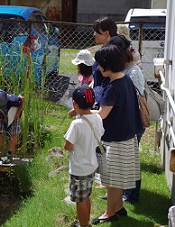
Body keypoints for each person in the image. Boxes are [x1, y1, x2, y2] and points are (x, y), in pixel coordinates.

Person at [91, 44, 143, 224]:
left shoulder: (112, 87)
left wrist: (82, 112)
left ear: (108, 64)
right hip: (128, 137)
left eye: (99, 64)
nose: (98, 68)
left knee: (112, 181)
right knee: (119, 178)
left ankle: (109, 213)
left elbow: (102, 114)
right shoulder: (126, 80)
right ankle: (119, 207)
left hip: (115, 140)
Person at [107, 35, 146, 203]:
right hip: (128, 121)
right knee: (122, 161)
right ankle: (119, 193)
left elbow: (133, 99)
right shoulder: (125, 70)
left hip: (133, 122)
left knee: (130, 161)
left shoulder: (133, 72)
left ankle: (131, 195)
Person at [64, 86, 104, 227]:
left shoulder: (76, 124)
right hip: (92, 165)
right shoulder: (98, 118)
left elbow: (67, 146)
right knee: (86, 196)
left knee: (80, 200)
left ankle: (83, 225)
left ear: (74, 104)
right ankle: (85, 223)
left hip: (79, 168)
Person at [0, 89, 25, 164]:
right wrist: (4, 116)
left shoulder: (13, 100)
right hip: (2, 114)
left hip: (14, 114)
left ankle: (10, 154)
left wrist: (17, 113)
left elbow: (22, 99)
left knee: (13, 133)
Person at [92, 17, 117, 104]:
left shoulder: (112, 54)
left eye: (96, 31)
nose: (94, 34)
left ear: (106, 33)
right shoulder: (104, 50)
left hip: (106, 100)